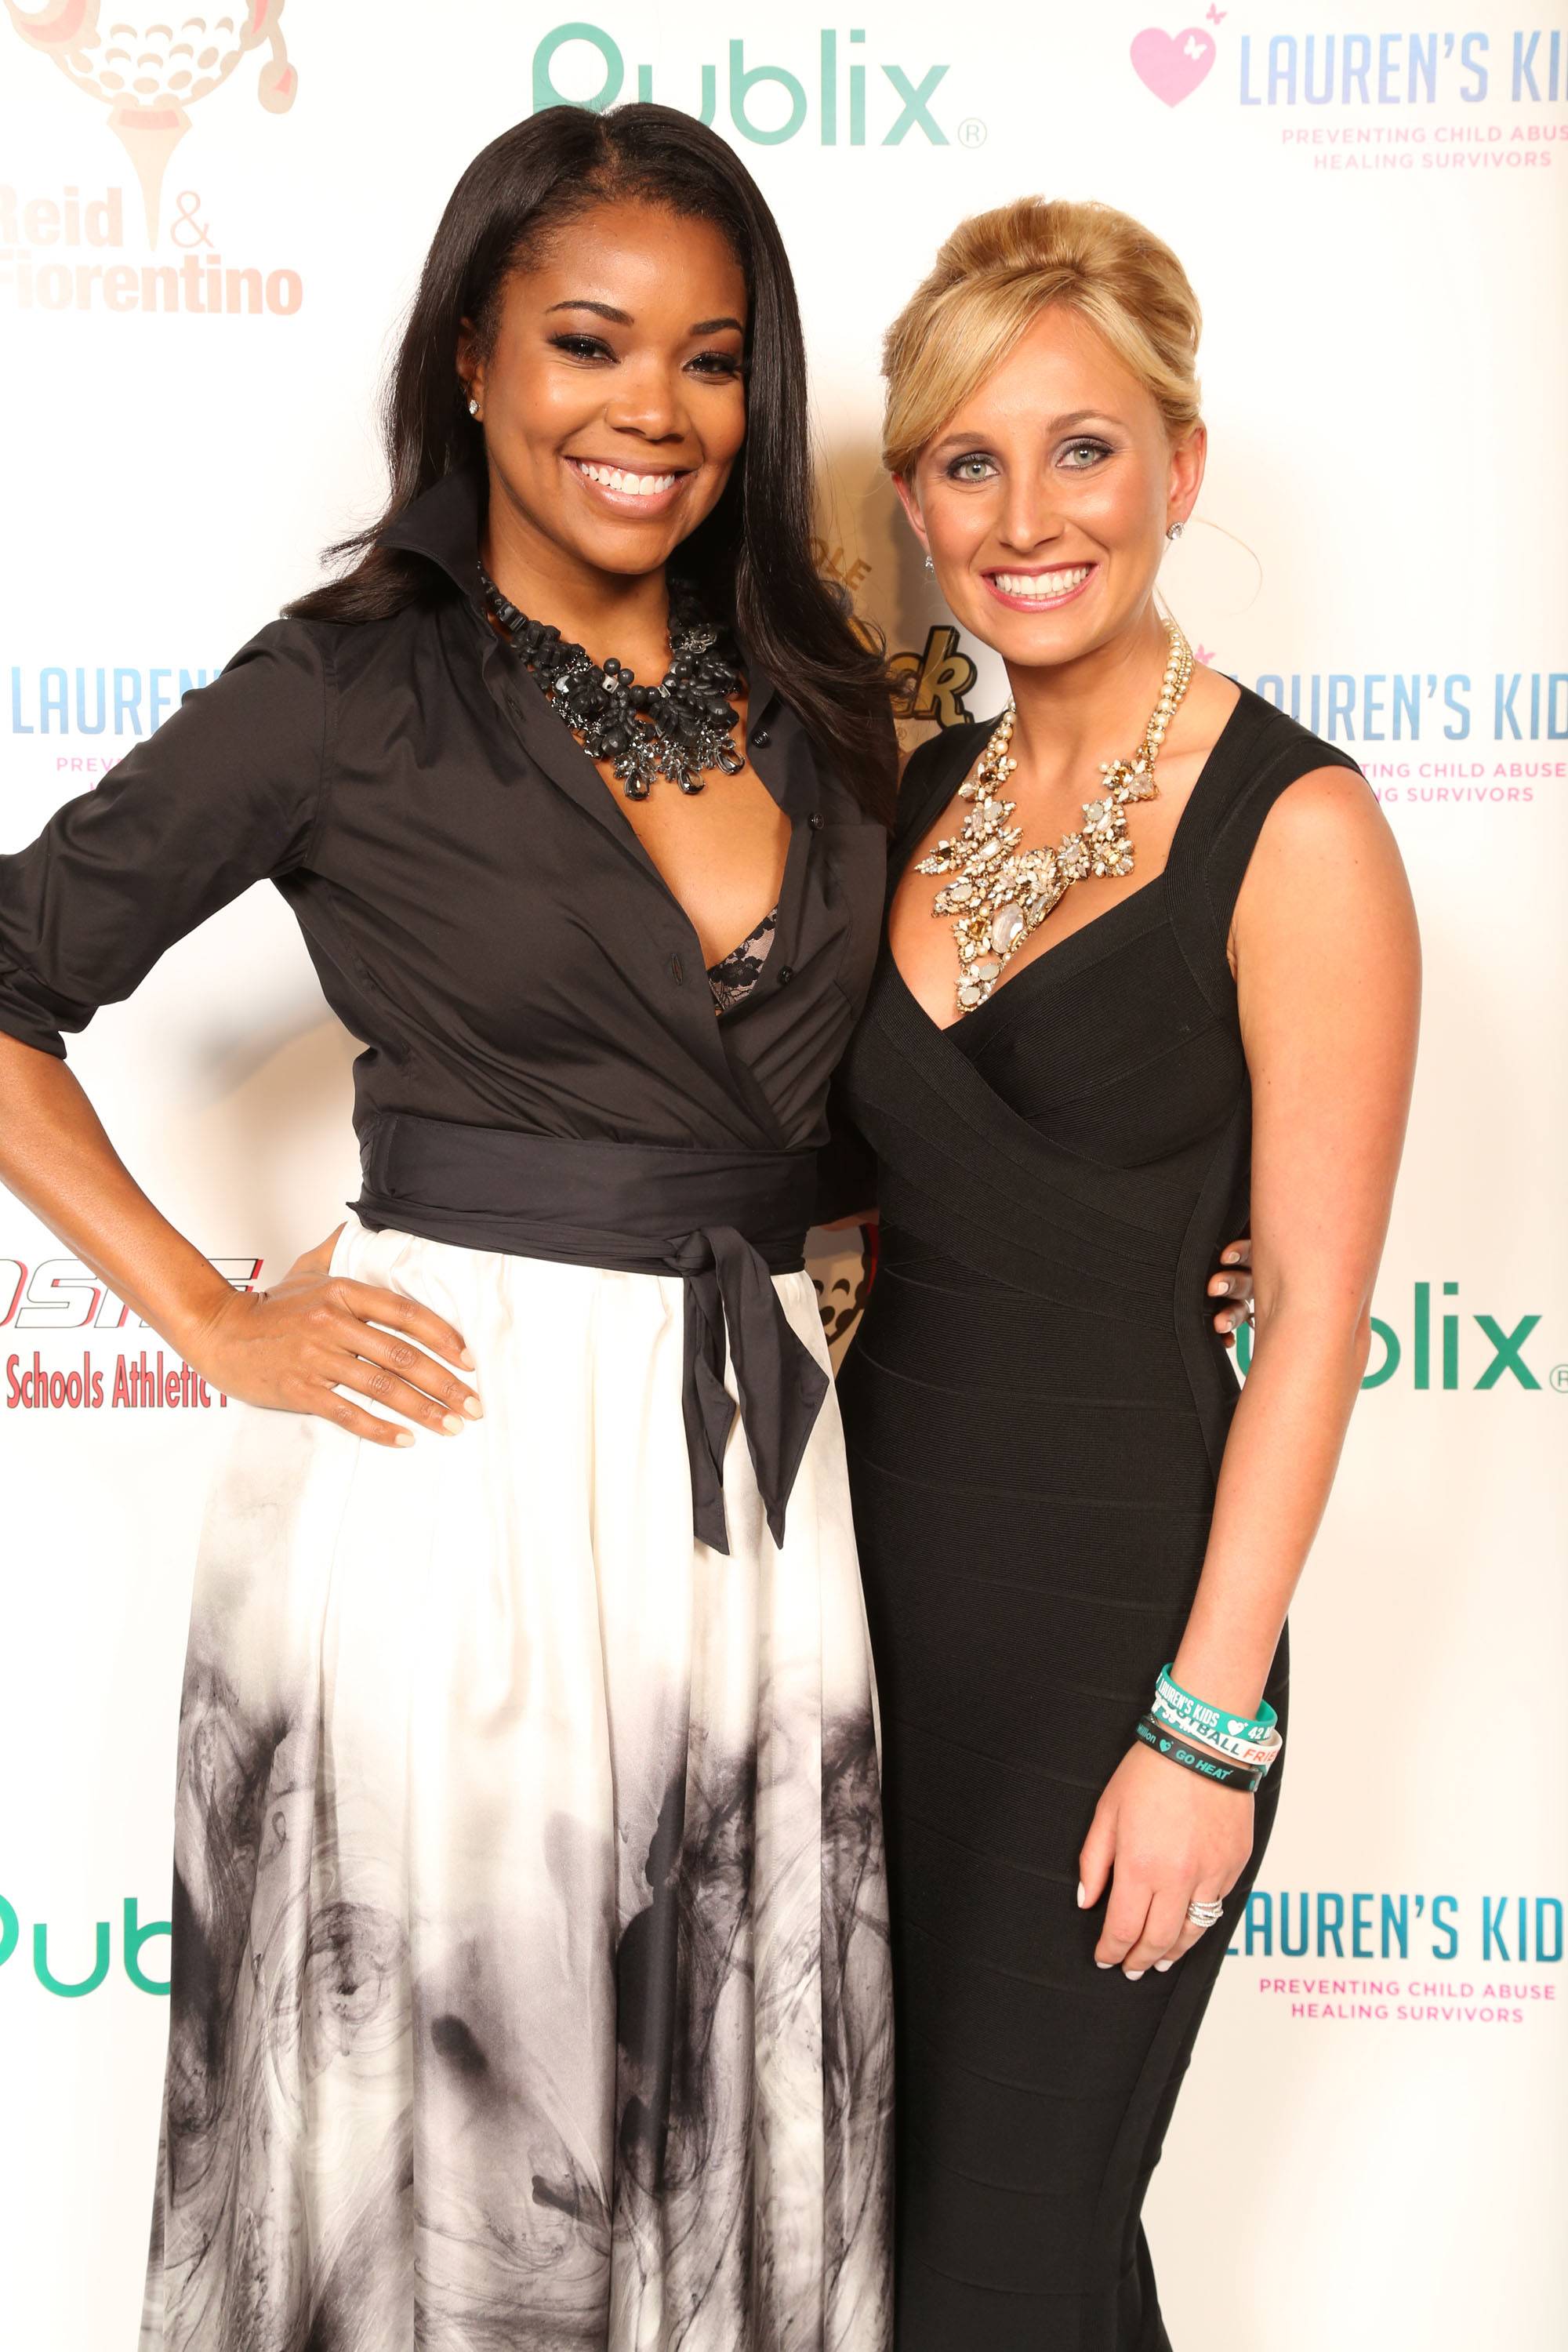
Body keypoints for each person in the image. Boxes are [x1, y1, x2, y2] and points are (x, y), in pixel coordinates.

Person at [0, 106, 902, 2352]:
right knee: (461, 2136)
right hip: (452, 1471)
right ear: (475, 359)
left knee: (734, 2105)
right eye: (589, 341)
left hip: (751, 1492)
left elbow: (884, 1101)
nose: (652, 410)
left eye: (712, 359)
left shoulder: (824, 698)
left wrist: (1164, 1244)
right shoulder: (344, 689)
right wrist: (210, 1312)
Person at [830, 197, 1420, 2348]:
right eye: (967, 464)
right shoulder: (913, 800)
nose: (1026, 516)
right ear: (914, 503)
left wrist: (1203, 1727)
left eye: (1082, 449)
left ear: (1181, 465)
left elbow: (1317, 1321)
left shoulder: (1301, 831)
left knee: (996, 2268)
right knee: (947, 2260)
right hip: (865, 1627)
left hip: (1123, 1652)